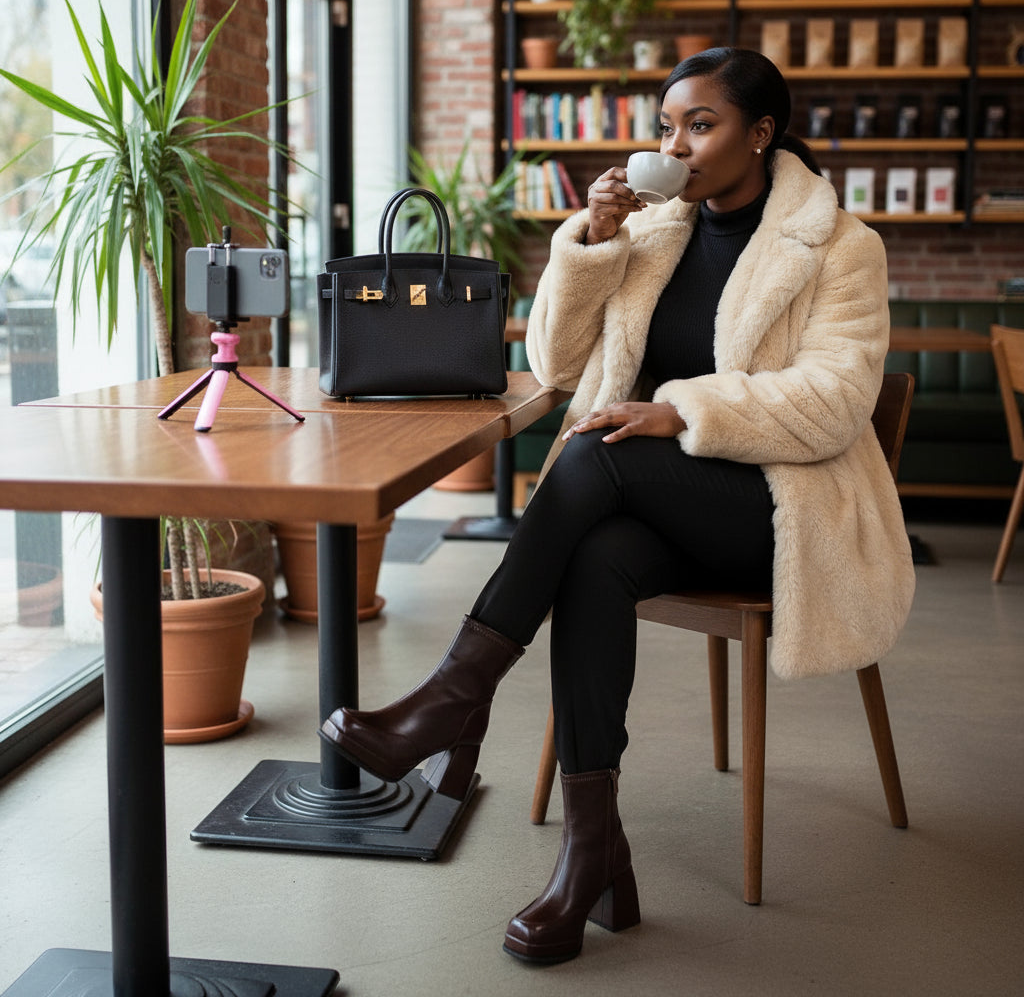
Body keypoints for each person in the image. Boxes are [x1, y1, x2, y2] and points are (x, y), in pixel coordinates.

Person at [321, 47, 915, 964]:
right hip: (657, 500)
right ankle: (590, 852)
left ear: (762, 133)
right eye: (667, 126)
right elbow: (558, 367)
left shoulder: (841, 246)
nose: (676, 145)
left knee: (599, 453)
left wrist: (684, 409)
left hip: (782, 513)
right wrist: (592, 244)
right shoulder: (657, 229)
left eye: (701, 125)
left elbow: (836, 399)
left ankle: (454, 696)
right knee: (598, 559)